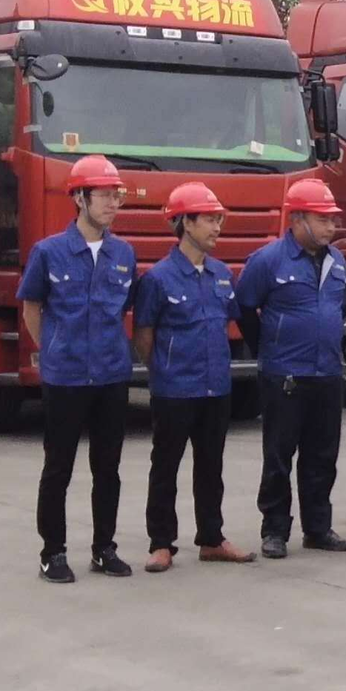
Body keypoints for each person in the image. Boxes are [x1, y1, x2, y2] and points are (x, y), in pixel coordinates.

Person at [20, 155, 138, 583]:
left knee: (108, 468)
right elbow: (32, 308)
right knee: (59, 468)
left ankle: (104, 549)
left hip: (111, 375)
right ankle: (52, 552)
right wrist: (55, 350)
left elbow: (124, 310)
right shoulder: (48, 252)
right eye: (104, 195)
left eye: (116, 195)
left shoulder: (124, 253)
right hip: (66, 378)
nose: (112, 203)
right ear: (79, 198)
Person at [133, 182, 255, 573]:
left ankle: (212, 538)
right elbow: (144, 335)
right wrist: (164, 370)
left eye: (219, 219)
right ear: (185, 222)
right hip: (174, 389)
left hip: (215, 386)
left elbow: (230, 322)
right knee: (165, 466)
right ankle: (161, 543)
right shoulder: (158, 279)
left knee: (211, 466)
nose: (217, 227)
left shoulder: (222, 275)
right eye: (209, 220)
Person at [236, 178, 346, 559]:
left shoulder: (337, 261)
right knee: (279, 455)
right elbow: (245, 307)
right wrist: (268, 347)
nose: (331, 227)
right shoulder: (268, 260)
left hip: (327, 373)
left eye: (333, 220)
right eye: (322, 220)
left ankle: (318, 528)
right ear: (298, 219)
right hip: (284, 373)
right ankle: (275, 530)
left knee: (322, 456)